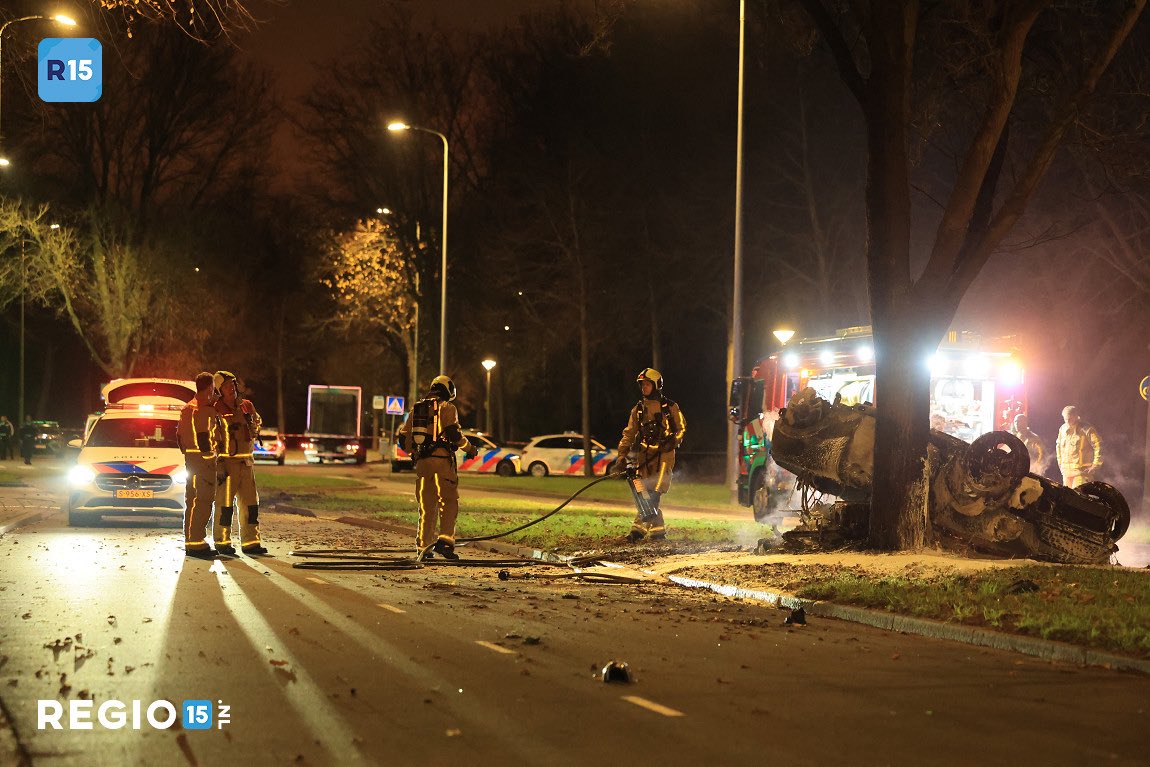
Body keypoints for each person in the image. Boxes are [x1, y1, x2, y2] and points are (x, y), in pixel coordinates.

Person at [400, 375, 478, 560]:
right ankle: (445, 542)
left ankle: (424, 548)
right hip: (443, 464)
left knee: (427, 508)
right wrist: (470, 449)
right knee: (448, 503)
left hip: (423, 465)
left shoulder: (416, 409)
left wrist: (415, 454)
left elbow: (404, 438)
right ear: (448, 390)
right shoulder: (447, 408)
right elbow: (454, 434)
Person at [616, 368, 686, 542]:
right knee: (643, 493)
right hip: (644, 457)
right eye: (642, 385)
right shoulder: (638, 410)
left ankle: (636, 532)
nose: (644, 388)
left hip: (664, 457)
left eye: (647, 384)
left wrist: (673, 441)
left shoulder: (670, 407)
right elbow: (628, 434)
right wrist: (621, 455)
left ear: (656, 385)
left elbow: (682, 428)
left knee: (654, 494)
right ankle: (658, 532)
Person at [212, 371, 267, 556]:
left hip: (246, 463)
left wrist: (254, 427)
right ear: (220, 390)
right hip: (227, 463)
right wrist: (218, 464)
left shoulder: (246, 406)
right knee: (224, 506)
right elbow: (213, 437)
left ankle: (251, 542)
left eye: (233, 384)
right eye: (226, 386)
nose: (231, 388)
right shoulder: (216, 408)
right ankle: (222, 541)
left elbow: (257, 421)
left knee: (251, 505)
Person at [176, 373, 222, 558]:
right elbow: (204, 436)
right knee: (203, 501)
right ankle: (197, 543)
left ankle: (190, 541)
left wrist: (189, 454)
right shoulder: (204, 409)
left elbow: (179, 437)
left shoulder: (187, 407)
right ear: (210, 388)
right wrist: (211, 458)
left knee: (191, 501)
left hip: (191, 460)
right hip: (204, 462)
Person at [1055, 405, 1102, 489]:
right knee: (1066, 499)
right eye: (1065, 419)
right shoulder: (1062, 429)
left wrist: (1095, 465)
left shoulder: (1086, 429)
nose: (1067, 421)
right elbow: (1058, 446)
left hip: (1082, 473)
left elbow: (1098, 445)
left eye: (1070, 418)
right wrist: (1060, 462)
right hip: (1066, 473)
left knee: (1078, 498)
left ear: (1076, 416)